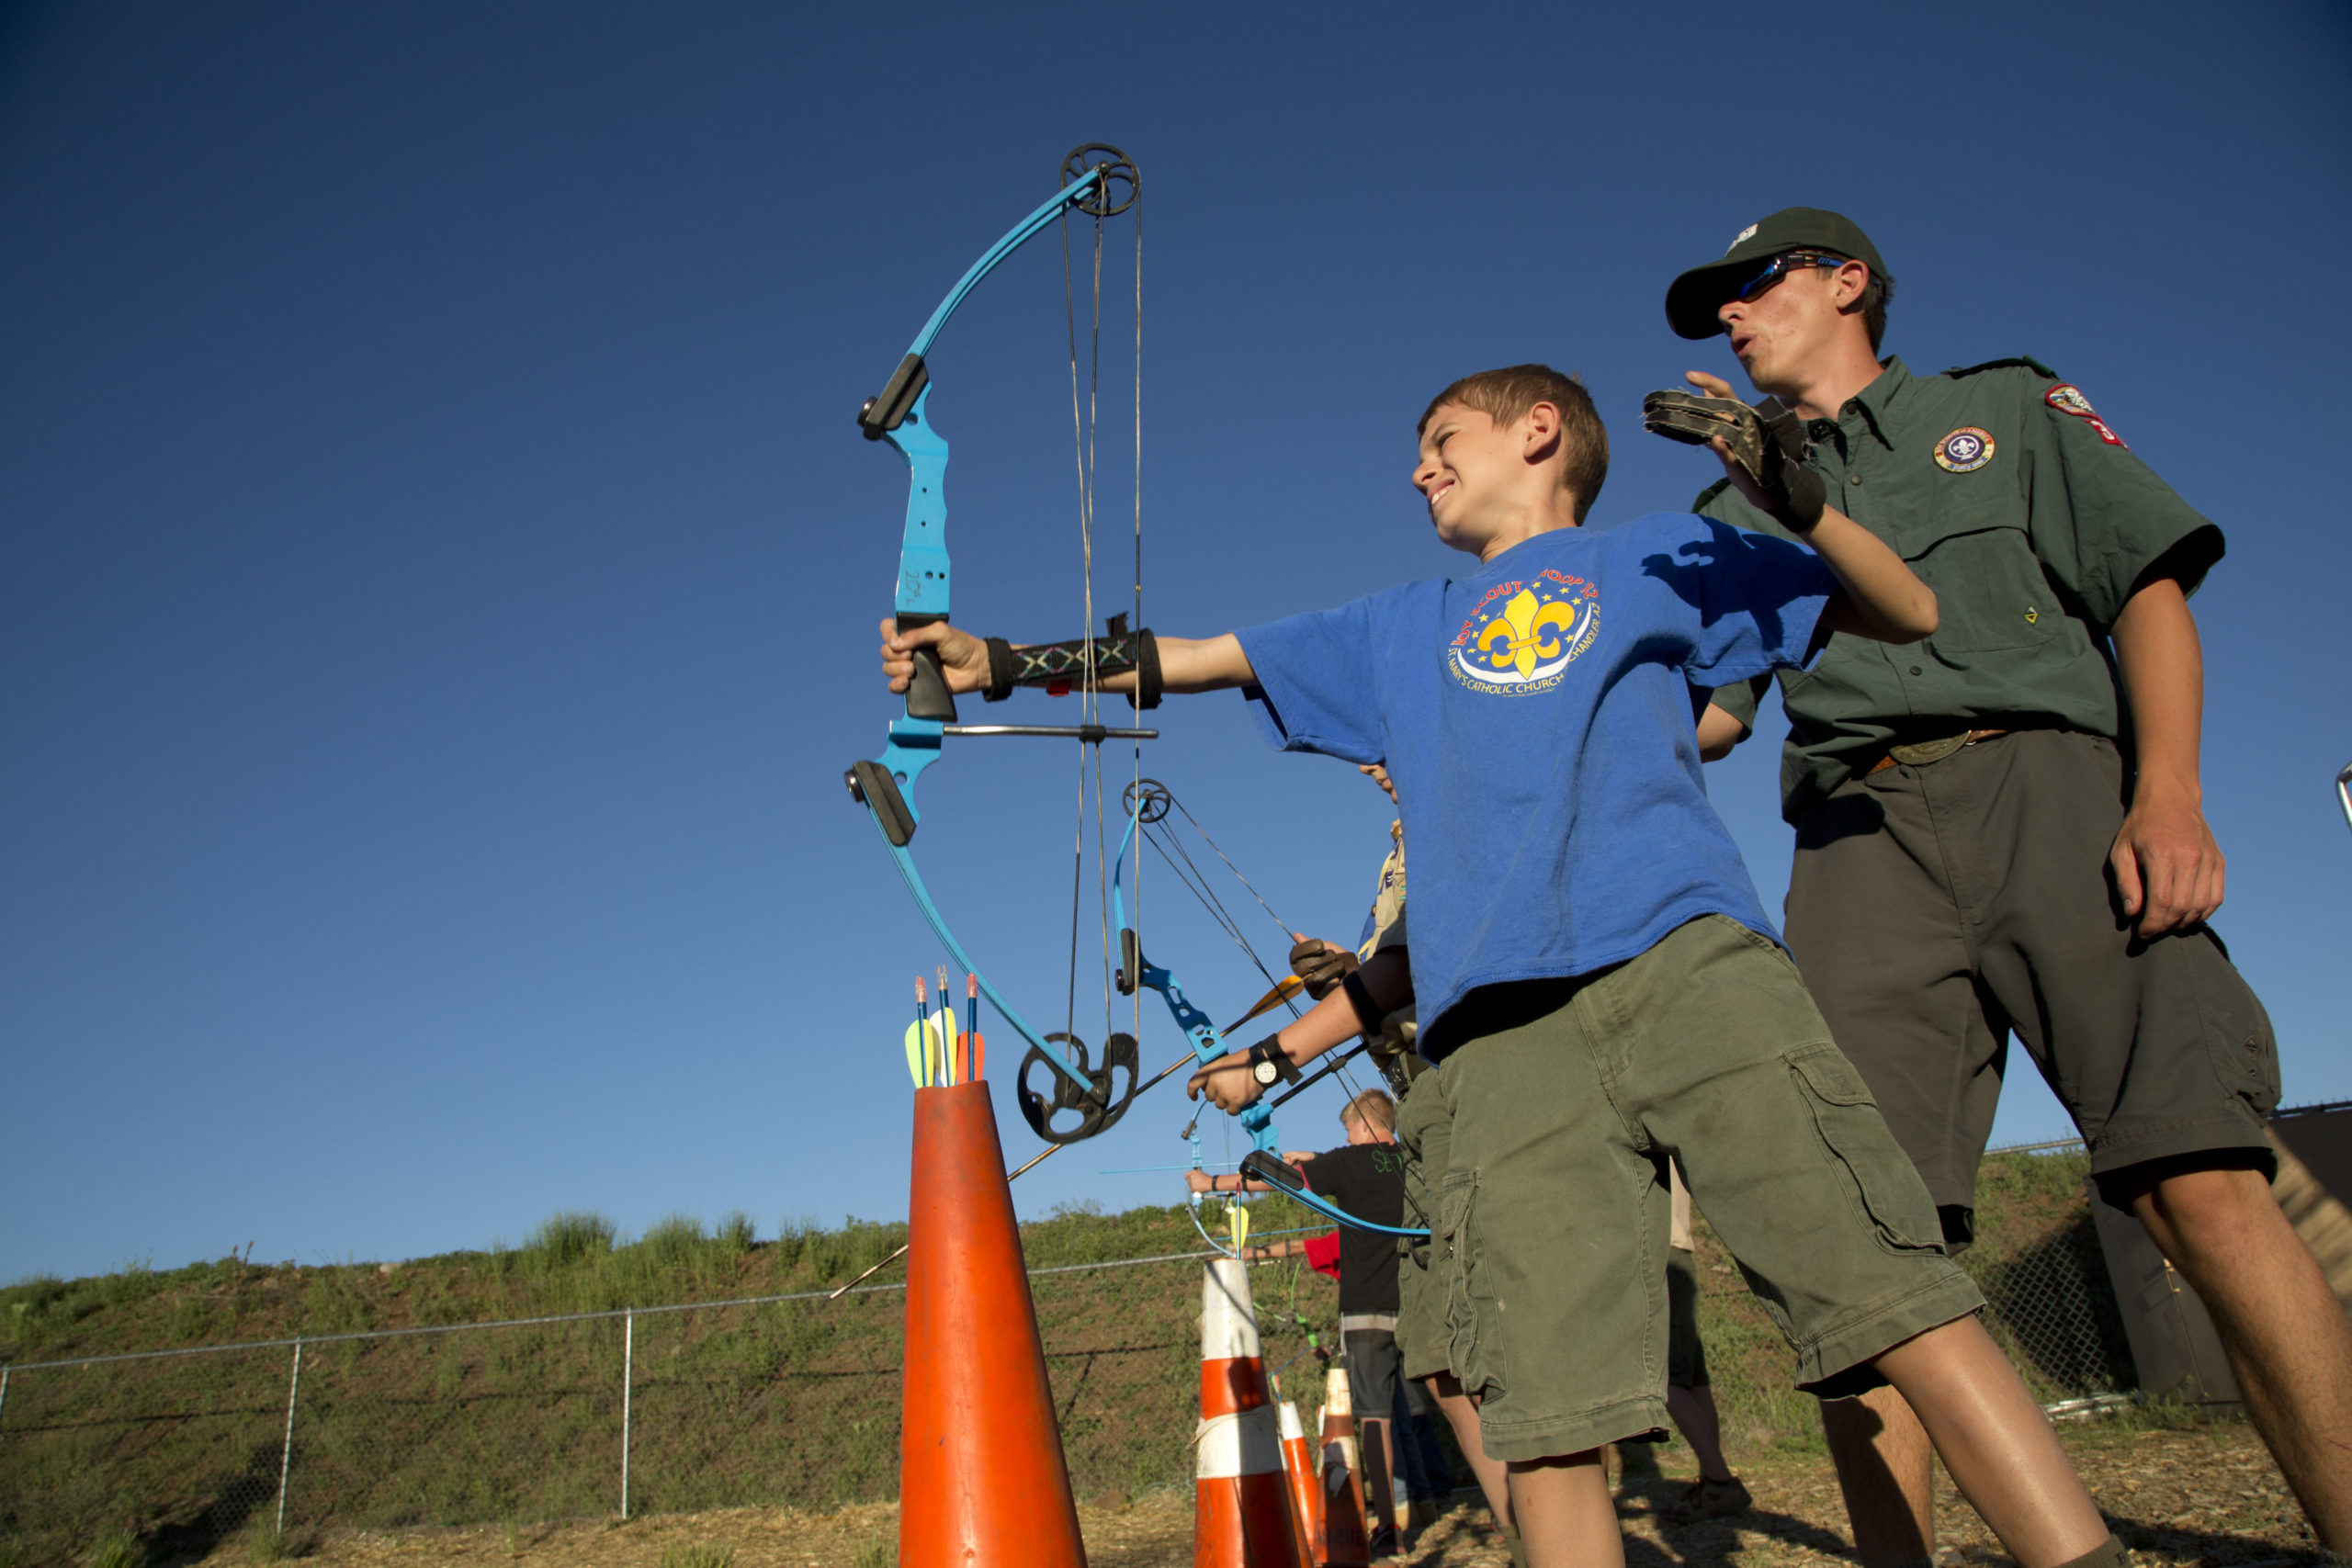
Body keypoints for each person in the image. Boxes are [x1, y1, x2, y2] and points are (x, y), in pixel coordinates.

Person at [879, 361, 2124, 1568]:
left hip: (1691, 968)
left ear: (1539, 431)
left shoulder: (1650, 554)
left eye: (1441, 441)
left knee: (1894, 1292)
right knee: (1545, 1415)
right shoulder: (1397, 626)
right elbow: (1197, 657)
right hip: (1500, 1046)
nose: (1417, 469)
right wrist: (1003, 662)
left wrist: (1799, 502)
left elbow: (1906, 610)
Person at [1659, 207, 2352, 1559]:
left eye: (1753, 285)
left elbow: (2144, 588)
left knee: (2196, 1170)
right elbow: (1716, 716)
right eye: (1715, 307)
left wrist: (2169, 791)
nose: (1732, 318)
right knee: (1869, 1236)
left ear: (1848, 279)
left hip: (2053, 785)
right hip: (1859, 840)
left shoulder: (2005, 408)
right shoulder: (1724, 498)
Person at [1195, 1089, 1410, 1554]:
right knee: (1440, 1405)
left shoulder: (1348, 1162)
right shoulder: (1412, 1160)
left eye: (1349, 1130)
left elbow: (1277, 1179)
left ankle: (1390, 1527)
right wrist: (1316, 1159)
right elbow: (1359, 1166)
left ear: (1367, 1125)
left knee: (1374, 1417)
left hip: (1367, 1307)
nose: (1347, 1139)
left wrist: (1209, 1181)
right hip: (1418, 1305)